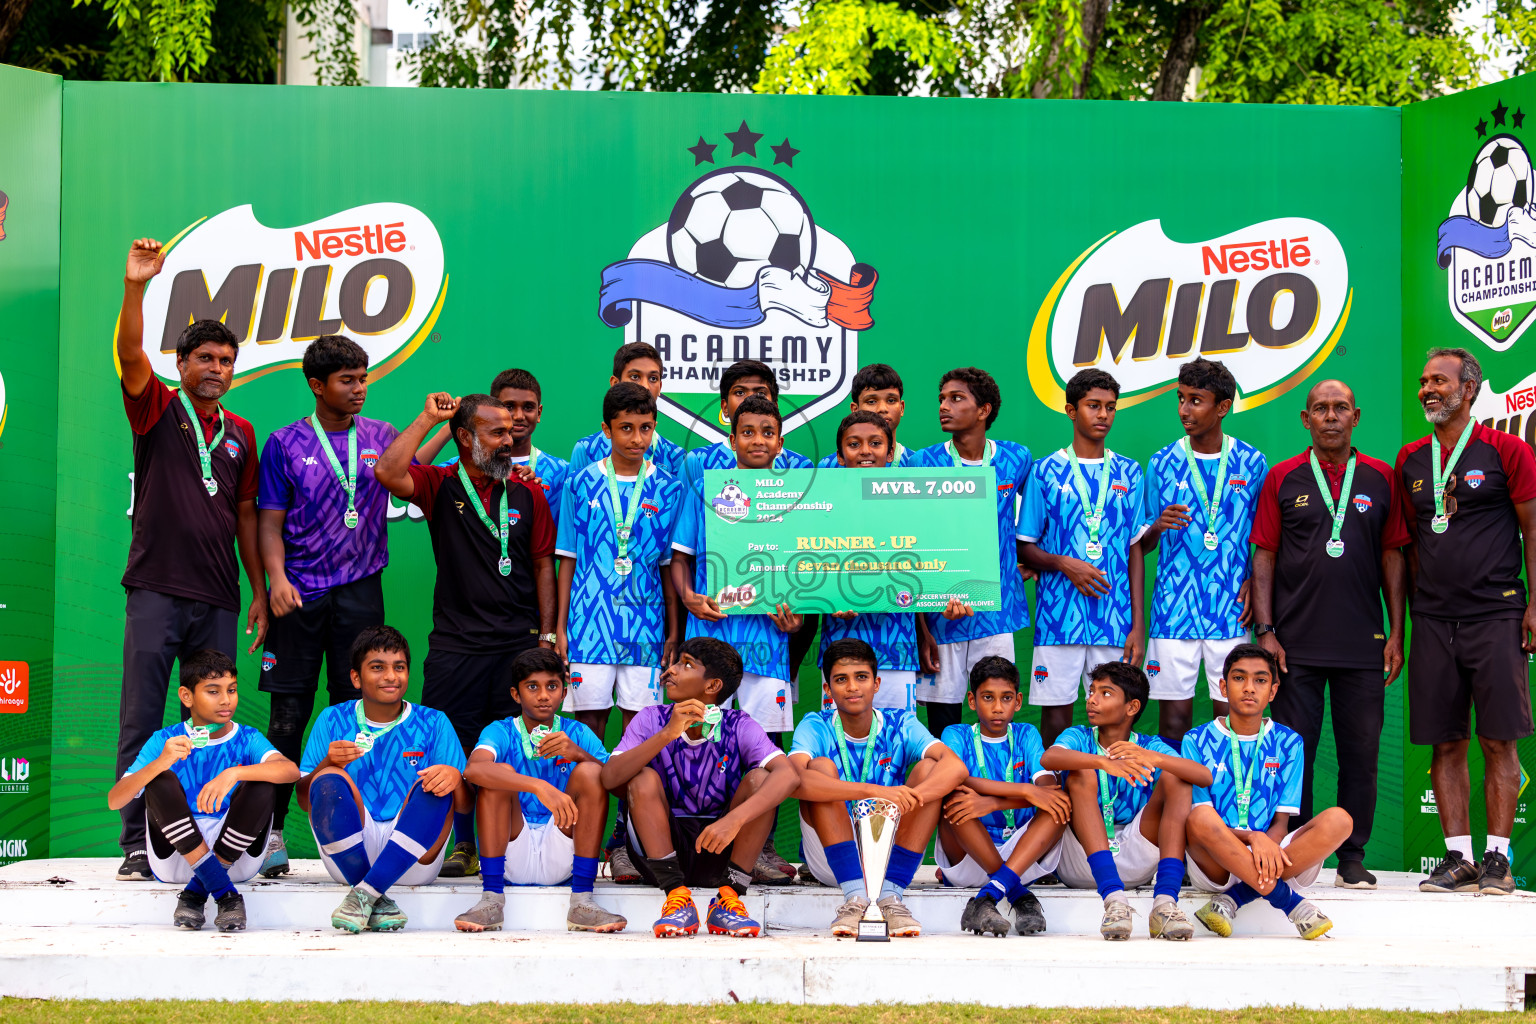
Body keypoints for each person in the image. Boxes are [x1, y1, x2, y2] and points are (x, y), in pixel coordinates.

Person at [112, 238, 267, 882]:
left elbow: (245, 517)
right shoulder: (158, 407)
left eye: (226, 360)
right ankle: (133, 843)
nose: (217, 368)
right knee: (144, 715)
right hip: (155, 586)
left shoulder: (242, 432)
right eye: (205, 357)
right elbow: (128, 354)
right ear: (182, 362)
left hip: (218, 595)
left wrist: (258, 590)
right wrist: (136, 288)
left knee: (213, 721)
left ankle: (210, 839)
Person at [374, 391, 557, 878]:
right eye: (496, 432)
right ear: (465, 437)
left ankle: (512, 843)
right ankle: (463, 844)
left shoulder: (528, 492)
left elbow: (543, 567)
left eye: (511, 431)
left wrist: (548, 637)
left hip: (518, 642)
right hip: (456, 643)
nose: (509, 438)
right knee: (452, 746)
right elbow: (389, 473)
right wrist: (427, 416)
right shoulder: (440, 484)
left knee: (509, 748)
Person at [1250, 378, 1408, 889]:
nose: (1332, 416)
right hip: (1295, 646)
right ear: (1306, 418)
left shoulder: (1382, 478)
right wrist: (1267, 631)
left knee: (1361, 752)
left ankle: (1353, 855)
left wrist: (1396, 632)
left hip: (1363, 644)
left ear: (1356, 417)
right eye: (1321, 408)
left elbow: (1393, 557)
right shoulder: (1283, 477)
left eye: (1341, 407)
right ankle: (1300, 849)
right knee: (1294, 752)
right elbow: (1266, 553)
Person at [254, 335, 398, 878]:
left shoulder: (382, 436)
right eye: (347, 380)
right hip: (299, 593)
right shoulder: (285, 443)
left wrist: (428, 423)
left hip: (361, 591)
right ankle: (267, 835)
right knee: (287, 717)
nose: (359, 388)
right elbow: (269, 523)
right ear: (317, 386)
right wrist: (276, 579)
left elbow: (412, 473)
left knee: (355, 714)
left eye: (363, 378)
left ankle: (356, 829)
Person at [1397, 348, 1535, 896]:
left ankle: (1497, 860)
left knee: (1499, 740)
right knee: (1444, 743)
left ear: (1469, 390)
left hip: (1496, 612)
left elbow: (1532, 530)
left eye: (1440, 381)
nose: (1429, 389)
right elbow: (1406, 548)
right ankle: (1458, 859)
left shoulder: (1508, 450)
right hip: (1431, 618)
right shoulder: (1411, 459)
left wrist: (1533, 604)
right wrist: (1404, 622)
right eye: (1424, 380)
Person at [670, 394, 803, 883]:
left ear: (781, 442)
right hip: (712, 640)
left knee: (764, 747)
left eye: (767, 433)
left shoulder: (796, 496)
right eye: (748, 432)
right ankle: (691, 840)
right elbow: (680, 557)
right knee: (699, 740)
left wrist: (796, 619)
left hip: (768, 645)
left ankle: (759, 847)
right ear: (731, 439)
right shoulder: (706, 490)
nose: (757, 441)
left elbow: (807, 571)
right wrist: (688, 598)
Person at [600, 637, 801, 938]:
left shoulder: (738, 724)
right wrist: (668, 733)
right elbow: (610, 777)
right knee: (641, 777)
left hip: (720, 848)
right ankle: (676, 898)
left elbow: (789, 776)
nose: (671, 670)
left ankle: (729, 898)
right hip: (660, 854)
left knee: (761, 779)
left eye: (686, 664)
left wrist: (734, 819)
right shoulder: (651, 718)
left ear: (712, 686)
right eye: (676, 661)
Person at [107, 650, 298, 932]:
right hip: (175, 857)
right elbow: (115, 800)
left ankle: (196, 892)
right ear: (187, 696)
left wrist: (235, 772)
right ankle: (225, 895)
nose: (226, 700)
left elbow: (290, 771)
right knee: (159, 779)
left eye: (231, 690)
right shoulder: (164, 739)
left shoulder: (247, 737)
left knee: (262, 780)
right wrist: (160, 763)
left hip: (235, 857)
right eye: (213, 691)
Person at [790, 638, 968, 938]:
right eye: (841, 680)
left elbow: (956, 767)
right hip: (831, 858)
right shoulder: (815, 724)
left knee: (928, 770)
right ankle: (854, 897)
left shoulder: (900, 722)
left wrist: (912, 798)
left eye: (861, 677)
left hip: (887, 852)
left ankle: (890, 897)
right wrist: (875, 792)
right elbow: (796, 780)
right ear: (827, 690)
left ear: (876, 683)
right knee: (819, 770)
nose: (852, 687)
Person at [298, 625, 466, 933]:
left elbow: (464, 803)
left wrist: (455, 776)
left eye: (399, 667)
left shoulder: (434, 721)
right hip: (348, 856)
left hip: (415, 858)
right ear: (356, 677)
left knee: (435, 783)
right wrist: (327, 763)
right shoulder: (332, 718)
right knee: (329, 778)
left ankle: (365, 893)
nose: (390, 676)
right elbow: (303, 799)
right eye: (378, 667)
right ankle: (375, 894)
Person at [1181, 644, 1352, 940]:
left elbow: (1281, 824)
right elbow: (1202, 819)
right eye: (1239, 679)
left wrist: (1265, 845)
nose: (1249, 688)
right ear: (1223, 686)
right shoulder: (1195, 739)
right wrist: (1252, 838)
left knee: (1340, 820)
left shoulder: (1289, 742)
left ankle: (1233, 900)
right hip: (1216, 858)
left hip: (1272, 852)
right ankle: (1293, 905)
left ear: (1273, 691)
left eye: (1260, 680)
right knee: (1199, 820)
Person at [453, 648, 627, 934]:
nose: (544, 695)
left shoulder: (578, 733)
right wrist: (538, 785)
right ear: (516, 694)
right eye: (532, 687)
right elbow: (473, 770)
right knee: (500, 775)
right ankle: (491, 899)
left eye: (552, 686)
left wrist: (579, 754)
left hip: (563, 849)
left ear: (563, 691)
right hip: (509, 850)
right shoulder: (501, 730)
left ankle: (583, 901)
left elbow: (617, 785)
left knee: (591, 771)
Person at [1139, 358, 1267, 744]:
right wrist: (1158, 526)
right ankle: (1175, 805)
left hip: (1231, 611)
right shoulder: (1162, 462)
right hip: (1173, 611)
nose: (1183, 410)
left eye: (1196, 400)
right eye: (1180, 399)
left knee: (1232, 723)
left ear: (1223, 407)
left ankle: (1224, 803)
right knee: (1173, 725)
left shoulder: (1253, 462)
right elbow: (1141, 545)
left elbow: (1265, 540)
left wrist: (1252, 581)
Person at [1019, 369, 1148, 744]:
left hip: (1114, 618)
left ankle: (1112, 798)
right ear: (1071, 411)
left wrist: (1138, 624)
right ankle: (1056, 797)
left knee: (1114, 719)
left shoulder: (1129, 471)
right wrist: (1063, 563)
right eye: (1094, 406)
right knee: (1057, 718)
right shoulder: (1043, 472)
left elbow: (1135, 548)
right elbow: (1024, 545)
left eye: (1110, 407)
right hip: (1059, 618)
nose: (1103, 415)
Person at [1042, 662, 1209, 941]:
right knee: (1080, 774)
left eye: (1105, 693)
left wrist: (1153, 758)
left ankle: (1165, 903)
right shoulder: (1079, 736)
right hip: (1082, 860)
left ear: (1131, 708)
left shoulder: (1146, 744)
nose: (1092, 699)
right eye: (1092, 691)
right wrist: (1102, 762)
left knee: (1177, 777)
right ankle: (1114, 901)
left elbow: (1202, 775)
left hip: (1136, 856)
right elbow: (1049, 759)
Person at [912, 368, 1035, 737]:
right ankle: (943, 792)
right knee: (942, 723)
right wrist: (921, 625)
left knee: (995, 716)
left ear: (984, 410)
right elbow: (912, 539)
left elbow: (1034, 520)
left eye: (956, 398)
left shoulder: (1016, 458)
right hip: (942, 614)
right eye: (941, 399)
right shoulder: (922, 462)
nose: (944, 407)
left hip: (995, 614)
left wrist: (1026, 563)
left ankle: (993, 790)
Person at [557, 382, 682, 737]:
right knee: (589, 727)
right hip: (588, 625)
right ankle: (588, 796)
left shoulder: (669, 488)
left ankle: (631, 797)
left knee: (640, 729)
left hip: (646, 626)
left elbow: (669, 566)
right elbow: (567, 559)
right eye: (626, 428)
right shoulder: (579, 483)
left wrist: (673, 632)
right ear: (606, 430)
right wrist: (561, 628)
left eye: (646, 428)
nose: (637, 438)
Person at [937, 656, 1068, 938]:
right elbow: (955, 780)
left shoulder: (1026, 733)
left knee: (1059, 807)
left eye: (1006, 698)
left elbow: (1048, 791)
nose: (998, 707)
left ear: (1018, 701)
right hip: (970, 853)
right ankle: (1019, 896)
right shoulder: (956, 734)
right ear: (972, 701)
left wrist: (994, 802)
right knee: (953, 801)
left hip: (1022, 854)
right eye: (988, 698)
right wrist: (1023, 790)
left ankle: (987, 897)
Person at [819, 411, 931, 713]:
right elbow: (808, 564)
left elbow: (928, 567)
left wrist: (950, 597)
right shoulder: (821, 505)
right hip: (840, 643)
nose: (866, 451)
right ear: (840, 456)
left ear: (890, 451)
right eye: (854, 444)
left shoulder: (914, 503)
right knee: (839, 740)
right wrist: (827, 599)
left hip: (897, 646)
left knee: (897, 741)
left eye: (876, 443)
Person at [420, 368, 571, 525]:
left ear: (539, 413)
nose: (519, 416)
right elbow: (407, 474)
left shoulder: (561, 470)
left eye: (528, 407)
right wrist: (451, 426)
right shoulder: (464, 467)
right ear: (492, 408)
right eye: (509, 406)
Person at [681, 360, 813, 495]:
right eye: (739, 393)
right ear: (724, 407)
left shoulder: (800, 466)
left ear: (775, 406)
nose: (751, 398)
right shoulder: (698, 461)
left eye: (761, 393)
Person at [569, 342, 685, 476]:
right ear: (615, 383)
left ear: (660, 387)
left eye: (653, 378)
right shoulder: (586, 450)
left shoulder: (676, 456)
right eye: (635, 376)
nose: (645, 386)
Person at [816, 363, 915, 468]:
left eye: (891, 400)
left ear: (902, 408)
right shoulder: (828, 466)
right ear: (855, 409)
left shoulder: (916, 464)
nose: (882, 409)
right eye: (871, 401)